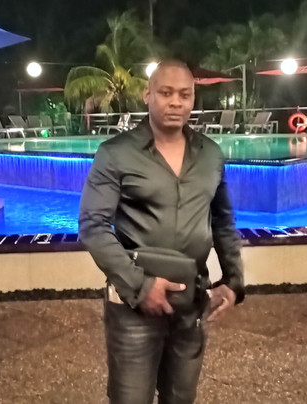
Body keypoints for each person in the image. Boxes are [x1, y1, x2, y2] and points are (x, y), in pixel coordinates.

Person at [78, 59, 244, 404]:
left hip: (190, 303)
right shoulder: (116, 154)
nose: (176, 102)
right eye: (166, 93)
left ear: (193, 98)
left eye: (184, 95)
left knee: (180, 397)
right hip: (134, 307)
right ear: (147, 95)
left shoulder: (211, 155)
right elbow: (92, 225)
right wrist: (140, 286)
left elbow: (223, 220)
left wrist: (233, 280)